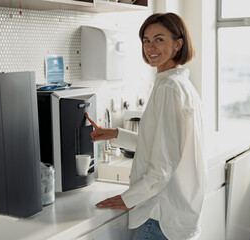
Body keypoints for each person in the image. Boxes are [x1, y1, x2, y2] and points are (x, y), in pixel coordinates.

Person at [86, 12, 207, 240]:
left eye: (159, 39)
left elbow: (162, 167)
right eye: (146, 40)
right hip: (176, 214)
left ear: (177, 44)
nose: (150, 47)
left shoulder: (169, 88)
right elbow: (161, 146)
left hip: (159, 215)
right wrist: (115, 134)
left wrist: (128, 198)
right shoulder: (180, 84)